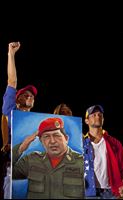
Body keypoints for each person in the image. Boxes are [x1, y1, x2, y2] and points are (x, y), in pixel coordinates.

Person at [12, 117, 84, 199]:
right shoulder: (31, 160)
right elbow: (9, 174)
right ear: (41, 141)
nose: (52, 141)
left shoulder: (81, 162)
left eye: (56, 135)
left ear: (66, 139)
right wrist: (20, 148)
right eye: (46, 137)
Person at [1, 41, 38, 199]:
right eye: (25, 94)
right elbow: (12, 81)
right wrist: (11, 54)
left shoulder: (37, 121)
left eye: (32, 95)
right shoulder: (11, 111)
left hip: (35, 172)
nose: (29, 96)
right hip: (13, 169)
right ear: (16, 100)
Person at [83, 105, 123, 199]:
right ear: (86, 121)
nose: (98, 116)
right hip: (89, 192)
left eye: (100, 114)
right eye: (94, 115)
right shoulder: (81, 144)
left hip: (111, 193)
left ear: (103, 119)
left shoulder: (115, 143)